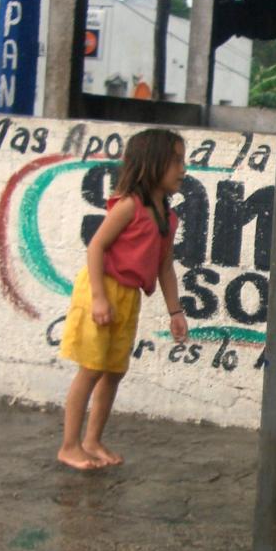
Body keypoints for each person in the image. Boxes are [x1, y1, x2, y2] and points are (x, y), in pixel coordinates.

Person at [56, 129, 189, 470]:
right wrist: (99, 298)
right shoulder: (129, 205)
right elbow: (96, 247)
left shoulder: (168, 218)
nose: (183, 169)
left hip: (129, 296)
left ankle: (92, 440)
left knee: (113, 371)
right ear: (152, 163)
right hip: (102, 289)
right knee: (91, 369)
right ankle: (69, 446)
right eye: (176, 161)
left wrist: (175, 311)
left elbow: (165, 267)